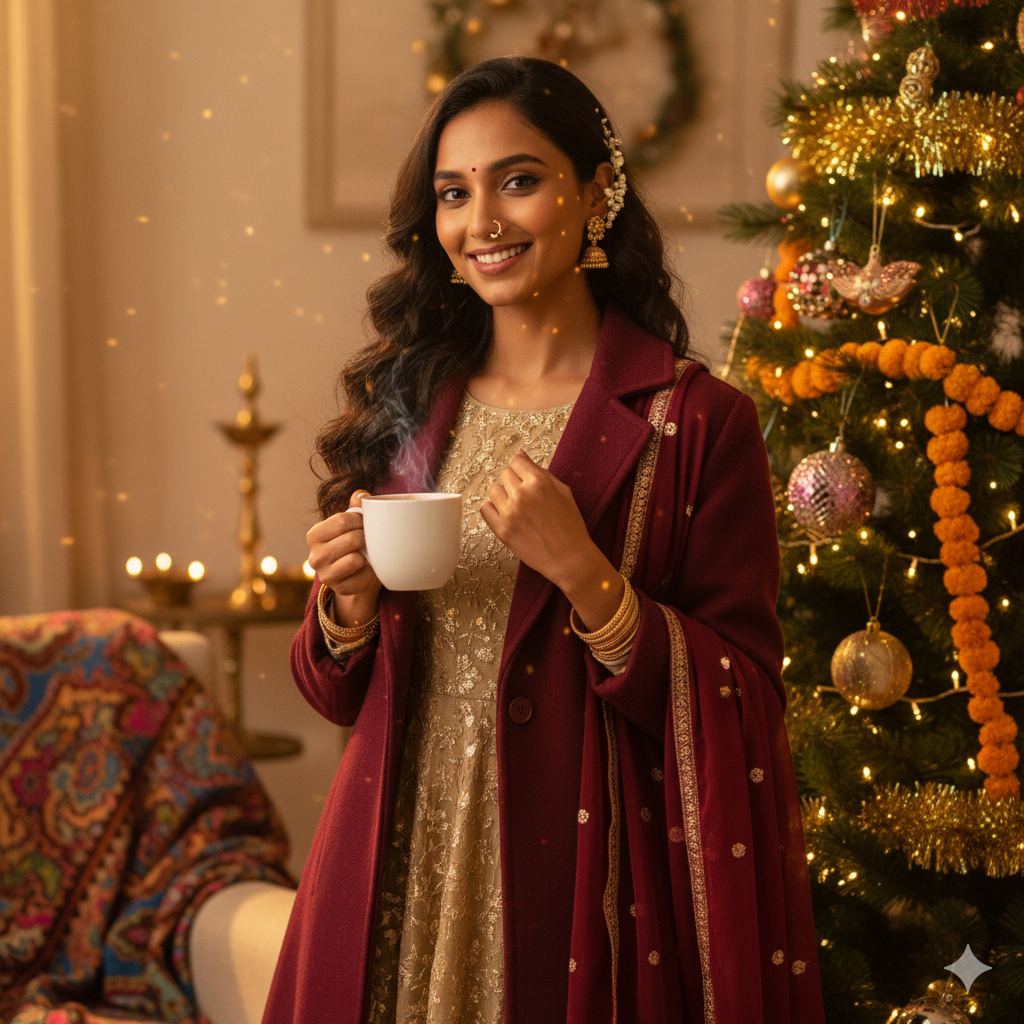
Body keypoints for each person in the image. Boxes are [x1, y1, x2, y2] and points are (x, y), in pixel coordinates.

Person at [262, 56, 825, 1024]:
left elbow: (747, 697)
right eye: (452, 193)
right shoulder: (407, 401)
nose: (480, 222)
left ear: (594, 191)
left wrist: (589, 577)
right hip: (396, 854)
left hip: (585, 871)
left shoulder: (694, 421)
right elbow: (337, 692)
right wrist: (345, 611)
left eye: (517, 180)